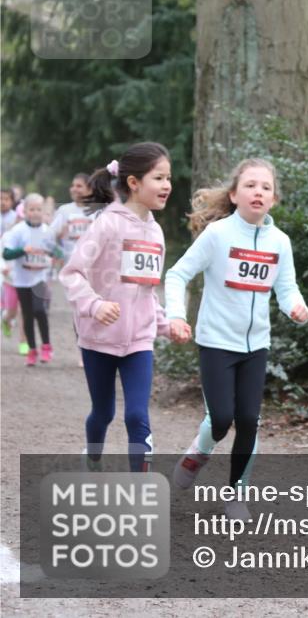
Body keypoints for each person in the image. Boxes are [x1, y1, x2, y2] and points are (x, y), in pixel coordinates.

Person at [166, 158, 308, 520]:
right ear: (234, 194)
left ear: (274, 199)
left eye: (265, 186)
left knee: (249, 420)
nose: (258, 191)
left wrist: (297, 307)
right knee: (220, 420)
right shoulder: (218, 235)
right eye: (249, 185)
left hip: (255, 346)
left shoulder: (280, 242)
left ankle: (236, 495)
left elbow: (287, 287)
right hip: (216, 342)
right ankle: (198, 452)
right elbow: (177, 274)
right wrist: (177, 316)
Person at [59, 142, 178, 472]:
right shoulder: (106, 224)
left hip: (139, 339)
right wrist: (94, 305)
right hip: (98, 337)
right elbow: (71, 273)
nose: (167, 185)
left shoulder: (156, 232)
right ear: (134, 183)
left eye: (169, 178)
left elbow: (146, 291)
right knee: (104, 413)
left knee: (137, 415)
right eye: (159, 177)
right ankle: (93, 456)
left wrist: (166, 325)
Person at [2, 193, 59, 366]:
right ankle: (32, 350)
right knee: (27, 315)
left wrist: (54, 256)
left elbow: (56, 251)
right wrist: (23, 250)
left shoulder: (47, 231)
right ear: (25, 211)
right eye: (31, 209)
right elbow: (6, 253)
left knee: (39, 310)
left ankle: (47, 347)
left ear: (44, 212)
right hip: (21, 280)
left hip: (39, 278)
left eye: (39, 210)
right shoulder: (18, 231)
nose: (35, 213)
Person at [51, 173, 94, 366]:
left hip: (96, 270)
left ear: (90, 189)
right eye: (73, 185)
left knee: (97, 310)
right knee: (80, 311)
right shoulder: (64, 211)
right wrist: (60, 239)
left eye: (79, 186)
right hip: (74, 270)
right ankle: (83, 351)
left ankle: (98, 351)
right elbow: (50, 238)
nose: (75, 189)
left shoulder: (97, 211)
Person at [1, 188, 24, 349]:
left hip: (11, 260)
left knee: (21, 308)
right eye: (0, 199)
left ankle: (23, 341)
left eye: (6, 199)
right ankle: (6, 317)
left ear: (12, 201)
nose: (3, 202)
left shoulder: (17, 218)